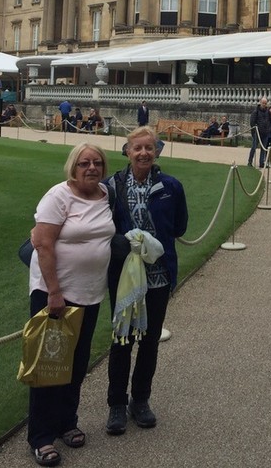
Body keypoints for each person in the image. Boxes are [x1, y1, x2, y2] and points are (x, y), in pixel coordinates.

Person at [26, 143, 114, 467]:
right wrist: (53, 292)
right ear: (72, 167)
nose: (91, 168)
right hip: (56, 293)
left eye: (97, 163)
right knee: (49, 366)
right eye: (83, 163)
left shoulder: (106, 195)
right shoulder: (58, 197)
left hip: (91, 293)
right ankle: (41, 436)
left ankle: (66, 421)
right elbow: (43, 244)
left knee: (76, 363)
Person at [104, 127, 188, 435]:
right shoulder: (112, 186)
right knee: (122, 339)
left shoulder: (171, 186)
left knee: (149, 341)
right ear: (127, 150)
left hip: (158, 276)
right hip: (125, 276)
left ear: (157, 152)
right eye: (137, 148)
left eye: (148, 148)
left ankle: (140, 400)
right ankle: (116, 403)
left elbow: (179, 226)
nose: (143, 154)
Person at [247, 97, 271, 168]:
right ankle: (250, 161)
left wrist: (269, 128)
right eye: (263, 103)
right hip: (257, 133)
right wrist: (254, 132)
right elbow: (252, 122)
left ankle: (261, 162)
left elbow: (270, 121)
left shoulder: (268, 112)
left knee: (264, 148)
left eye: (265, 103)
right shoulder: (255, 112)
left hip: (265, 133)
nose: (264, 104)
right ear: (260, 102)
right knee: (254, 147)